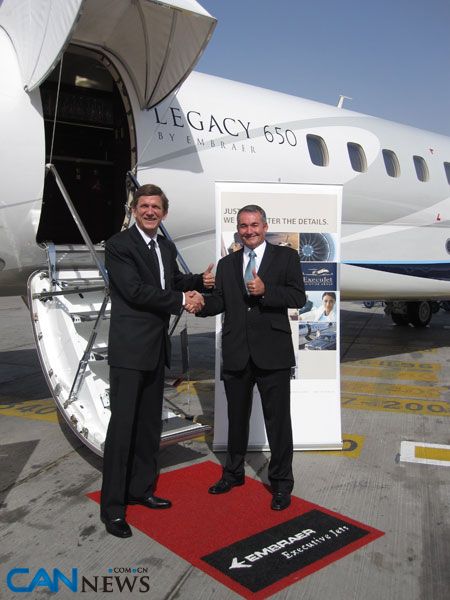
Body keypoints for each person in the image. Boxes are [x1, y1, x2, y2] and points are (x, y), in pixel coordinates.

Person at [100, 184, 214, 538]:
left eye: (156, 207)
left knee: (149, 426)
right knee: (122, 430)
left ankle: (141, 489)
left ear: (164, 212)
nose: (150, 212)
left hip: (155, 349)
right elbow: (135, 290)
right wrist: (182, 300)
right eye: (144, 206)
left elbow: (171, 280)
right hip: (130, 351)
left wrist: (199, 282)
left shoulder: (164, 245)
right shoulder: (119, 245)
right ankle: (113, 508)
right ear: (134, 210)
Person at [193, 204, 306, 511]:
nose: (249, 231)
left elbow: (298, 297)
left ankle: (281, 483)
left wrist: (267, 291)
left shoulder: (286, 257)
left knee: (278, 422)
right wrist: (201, 303)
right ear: (238, 229)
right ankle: (233, 474)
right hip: (237, 353)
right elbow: (220, 302)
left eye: (254, 225)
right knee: (236, 419)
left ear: (265, 227)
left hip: (273, 353)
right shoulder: (227, 263)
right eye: (243, 226)